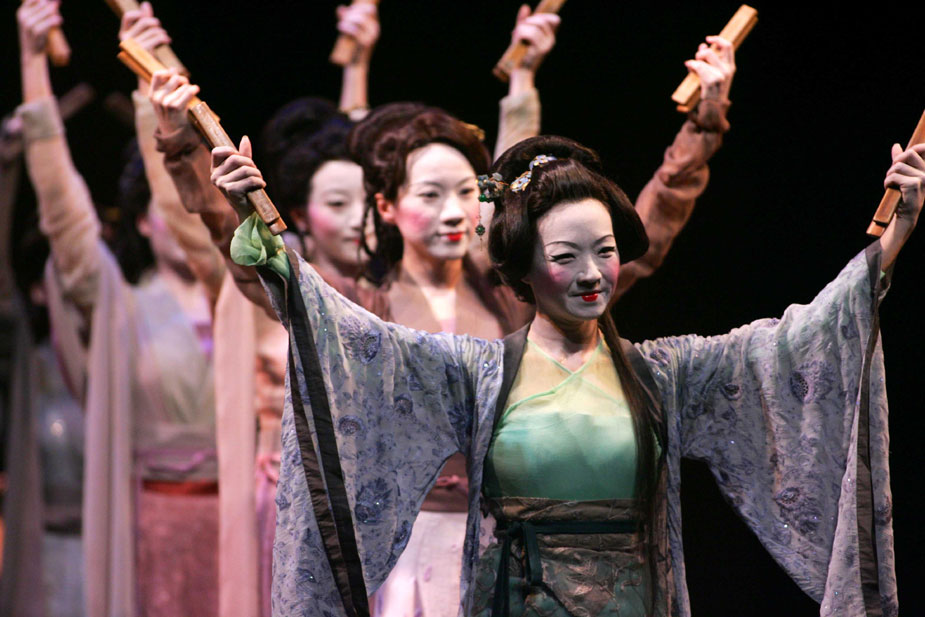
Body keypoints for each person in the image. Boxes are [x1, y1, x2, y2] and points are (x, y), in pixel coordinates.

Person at [210, 129, 919, 616]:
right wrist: (270, 246)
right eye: (565, 256)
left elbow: (790, 344)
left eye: (604, 251)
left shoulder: (663, 374)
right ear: (522, 268)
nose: (591, 274)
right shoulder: (477, 372)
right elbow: (356, 341)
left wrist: (892, 238)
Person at [16, 1, 220, 615]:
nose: (178, 210)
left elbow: (193, 179)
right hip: (153, 527)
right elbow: (62, 211)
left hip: (247, 518)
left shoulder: (240, 297)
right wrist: (32, 67)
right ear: (143, 221)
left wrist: (152, 71)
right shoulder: (120, 305)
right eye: (163, 203)